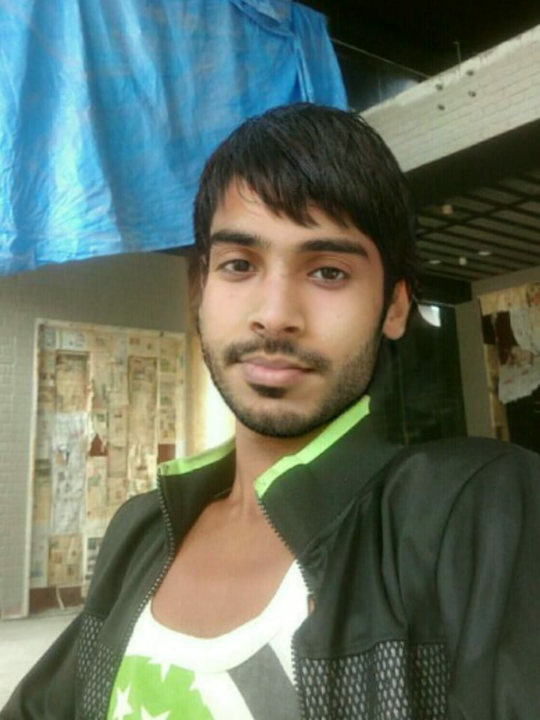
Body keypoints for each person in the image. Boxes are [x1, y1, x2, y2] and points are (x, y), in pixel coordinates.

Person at [2, 103, 540, 720]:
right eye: (239, 265)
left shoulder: (477, 510)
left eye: (329, 271)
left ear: (394, 308)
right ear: (199, 291)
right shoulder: (141, 529)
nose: (275, 314)